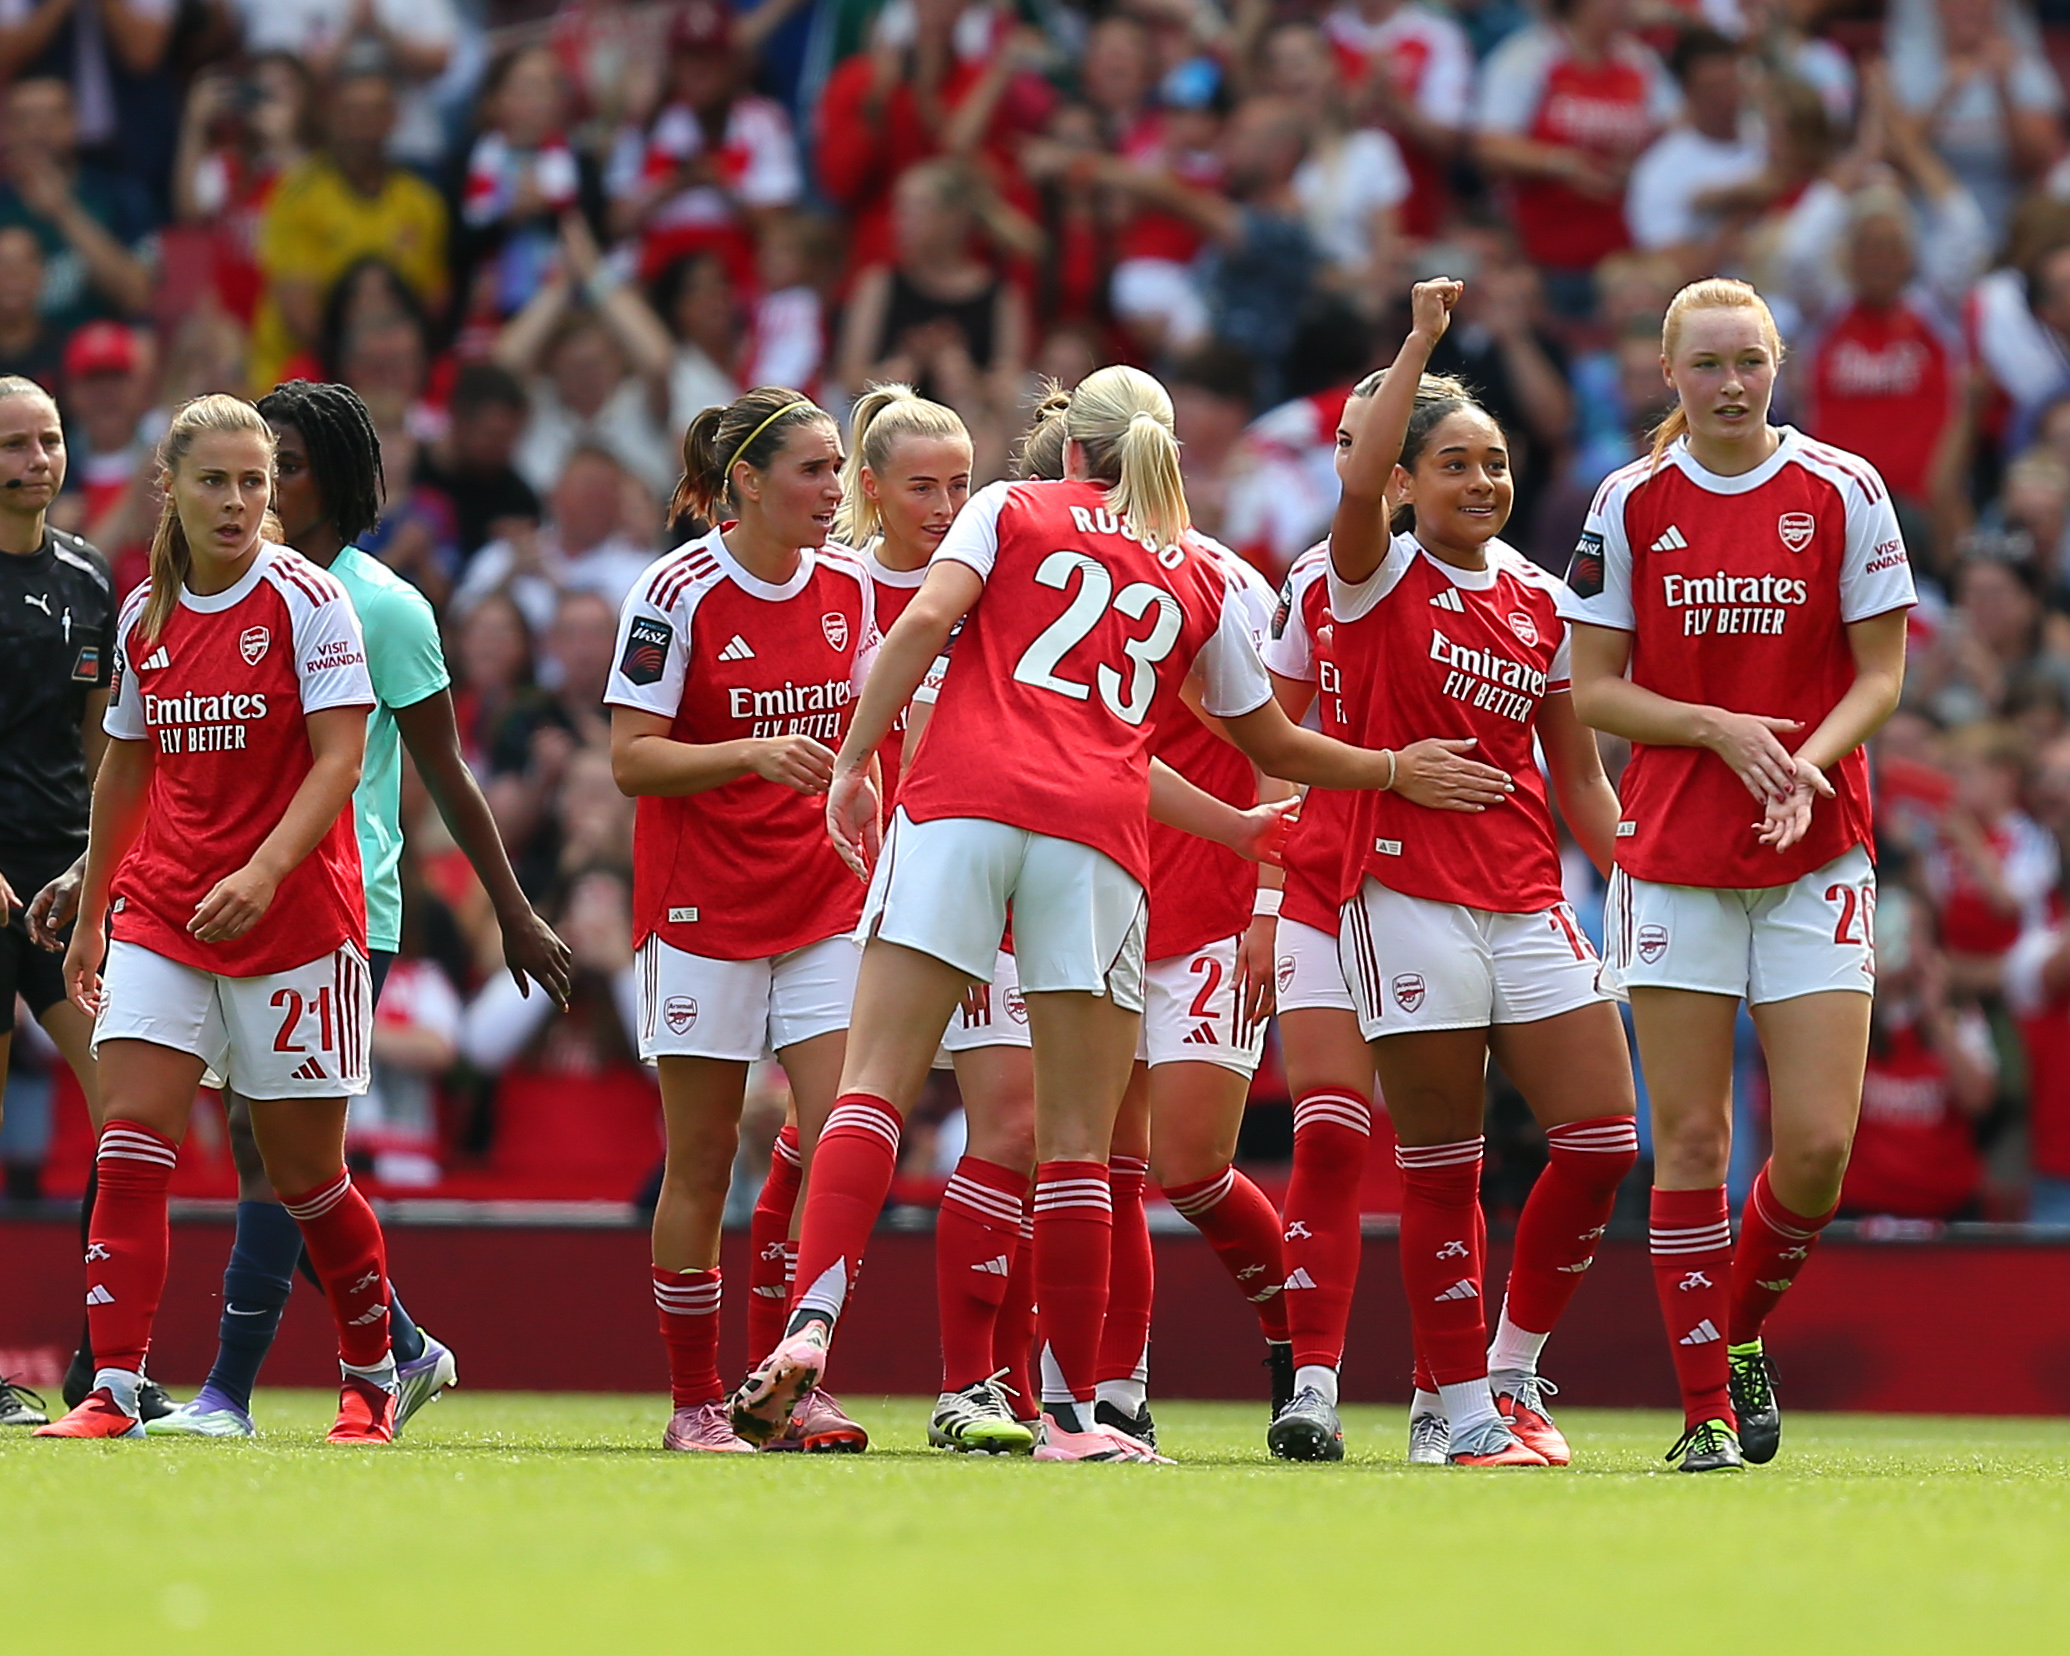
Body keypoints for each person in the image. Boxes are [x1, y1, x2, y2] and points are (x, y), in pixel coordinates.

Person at [728, 364, 1405, 1462]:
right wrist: (1390, 767)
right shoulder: (1204, 573)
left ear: (1071, 450)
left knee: (870, 1090)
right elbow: (1272, 748)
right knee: (1084, 1148)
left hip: (956, 809)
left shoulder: (1008, 507)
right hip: (1095, 841)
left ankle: (812, 1326)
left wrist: (855, 762)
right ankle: (1082, 1416)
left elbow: (922, 630)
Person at [91, 381, 568, 1440]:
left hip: (348, 906)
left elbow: (444, 770)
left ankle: (235, 1387)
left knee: (279, 1152)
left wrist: (513, 909)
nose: (257, 491)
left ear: (333, 481)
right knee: (245, 1146)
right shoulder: (170, 603)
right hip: (195, 901)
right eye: (234, 471)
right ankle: (388, 1347)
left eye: (281, 469)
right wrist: (95, 877)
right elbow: (146, 767)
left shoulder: (374, 605)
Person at [1561, 277, 1915, 1472]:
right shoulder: (1629, 501)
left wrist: (1801, 765)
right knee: (1698, 1142)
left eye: (1749, 362)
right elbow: (1594, 686)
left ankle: (1736, 1331)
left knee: (1817, 1147)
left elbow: (1880, 677)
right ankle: (1706, 1409)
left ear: (1780, 368)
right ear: (1670, 376)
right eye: (1707, 364)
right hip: (1672, 860)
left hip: (1814, 849)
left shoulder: (1844, 489)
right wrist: (1717, 729)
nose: (1729, 384)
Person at [1312, 279, 1639, 1468]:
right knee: (1443, 1169)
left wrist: (1641, 888)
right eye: (1454, 463)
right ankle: (1448, 1415)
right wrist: (1416, 343)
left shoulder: (1547, 604)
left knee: (1602, 1141)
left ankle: (1506, 1371)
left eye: (1495, 464)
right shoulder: (1375, 575)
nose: (1484, 484)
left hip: (1528, 899)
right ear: (1407, 481)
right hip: (1402, 896)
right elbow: (1355, 485)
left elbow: (1583, 781)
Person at [34, 394, 393, 1442]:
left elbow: (342, 759)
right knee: (133, 1138)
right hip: (165, 911)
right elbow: (126, 775)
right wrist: (98, 909)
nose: (236, 501)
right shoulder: (144, 613)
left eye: (253, 482)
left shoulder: (309, 600)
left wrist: (268, 872)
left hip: (293, 921)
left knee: (306, 1178)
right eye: (215, 481)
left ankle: (371, 1376)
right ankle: (115, 1390)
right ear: (170, 491)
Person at [605, 385, 876, 1454]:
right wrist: (751, 753)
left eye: (840, 467)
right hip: (701, 907)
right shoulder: (673, 591)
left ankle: (793, 1378)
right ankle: (693, 1403)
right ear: (748, 483)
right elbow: (631, 760)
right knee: (706, 1158)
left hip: (824, 896)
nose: (836, 489)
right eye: (814, 469)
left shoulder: (851, 585)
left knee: (838, 1136)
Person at [1259, 369, 1525, 1460]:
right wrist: (1266, 893)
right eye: (1354, 432)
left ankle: (1440, 1391)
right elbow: (1273, 743)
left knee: (1436, 1143)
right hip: (1326, 886)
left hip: (1434, 885)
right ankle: (1311, 1384)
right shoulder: (1321, 573)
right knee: (1327, 1134)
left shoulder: (1500, 585)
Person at [823, 383, 1039, 1453]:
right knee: (819, 1130)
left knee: (1017, 1128)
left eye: (961, 484)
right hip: (858, 897)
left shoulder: (1003, 583)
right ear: (869, 487)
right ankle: (796, 1362)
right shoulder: (839, 592)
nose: (946, 503)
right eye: (922, 486)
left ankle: (981, 1383)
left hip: (984, 889)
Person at [0, 375, 119, 1428]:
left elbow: (101, 746)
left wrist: (98, 866)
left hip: (62, 882)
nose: (34, 462)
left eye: (46, 442)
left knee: (124, 1106)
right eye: (13, 446)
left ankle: (103, 1364)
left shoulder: (88, 577)